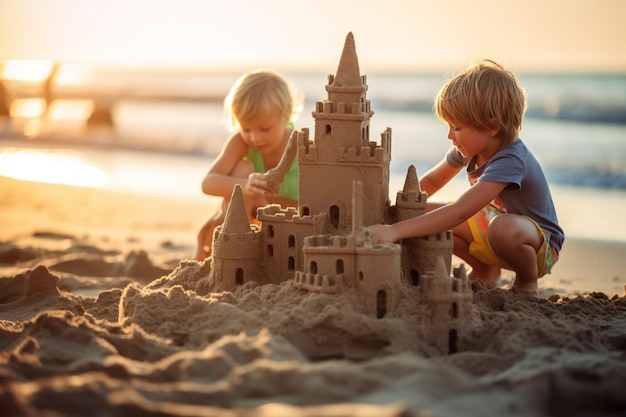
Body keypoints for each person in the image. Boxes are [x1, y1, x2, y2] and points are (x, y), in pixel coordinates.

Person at [369, 60, 564, 293]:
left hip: (539, 246)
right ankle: (485, 270)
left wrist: (395, 230)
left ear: (492, 127)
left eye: (457, 128)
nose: (450, 135)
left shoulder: (511, 160)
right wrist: (394, 211)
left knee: (499, 227)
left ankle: (526, 281)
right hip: (493, 225)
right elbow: (430, 183)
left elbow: (461, 210)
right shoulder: (469, 150)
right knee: (423, 213)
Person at [194, 69, 303, 260]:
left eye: (264, 128)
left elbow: (314, 207)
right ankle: (233, 249)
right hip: (251, 222)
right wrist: (246, 186)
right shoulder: (241, 142)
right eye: (246, 128)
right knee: (242, 170)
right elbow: (208, 183)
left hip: (290, 223)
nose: (255, 138)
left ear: (286, 117)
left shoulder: (303, 147)